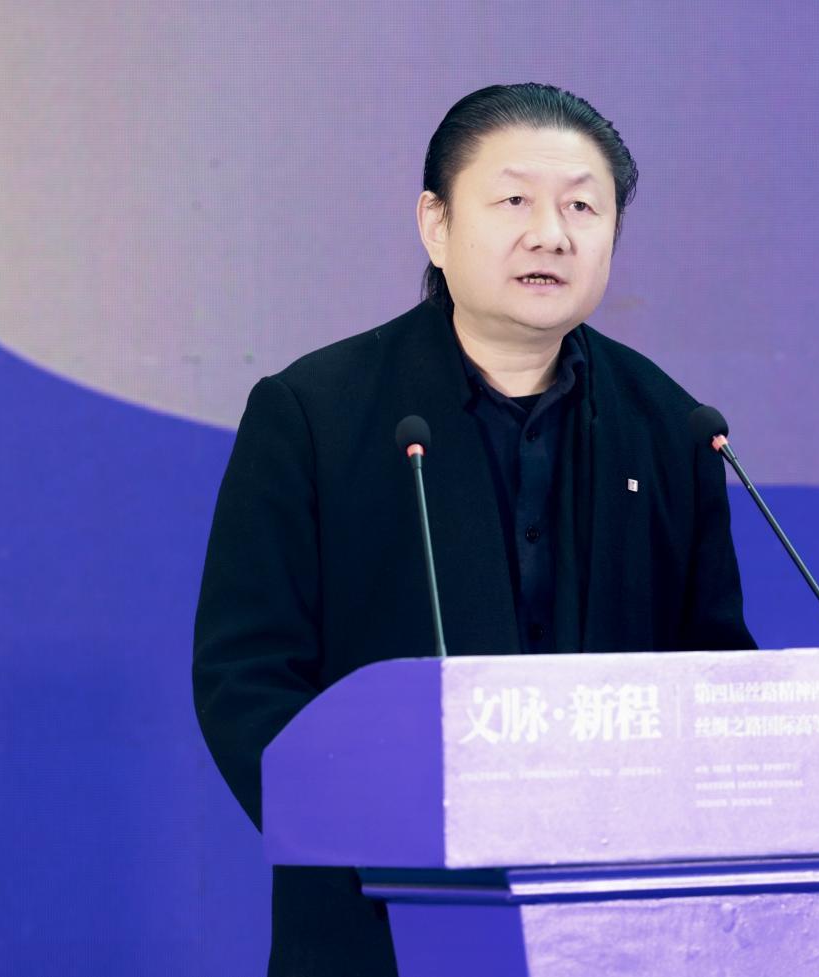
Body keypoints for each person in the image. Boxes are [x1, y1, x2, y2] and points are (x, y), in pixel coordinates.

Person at [193, 83, 755, 977]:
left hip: (618, 926)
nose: (551, 234)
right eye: (514, 200)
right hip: (384, 917)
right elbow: (247, 677)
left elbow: (712, 671)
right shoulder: (315, 414)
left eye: (583, 207)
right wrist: (373, 831)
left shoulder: (671, 425)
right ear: (436, 223)